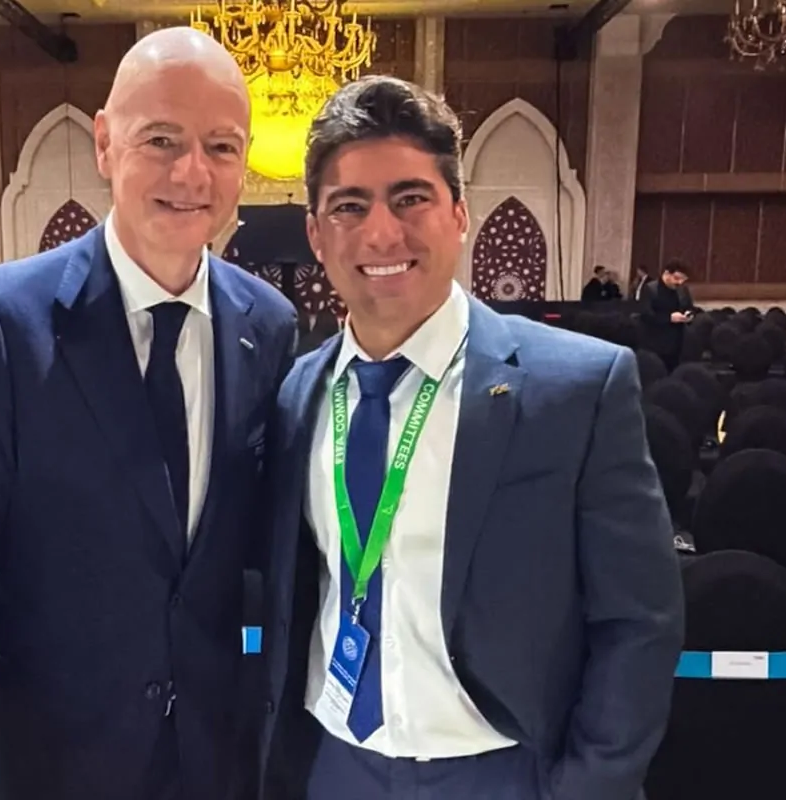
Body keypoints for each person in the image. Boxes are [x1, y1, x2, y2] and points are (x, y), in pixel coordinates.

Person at [0, 27, 296, 800]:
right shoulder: (1, 321)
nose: (192, 172)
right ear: (105, 144)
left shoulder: (267, 325)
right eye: (162, 139)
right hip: (51, 765)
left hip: (213, 761)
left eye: (221, 146)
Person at [260, 76, 683, 800]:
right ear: (316, 235)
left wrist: (588, 786)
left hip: (501, 771)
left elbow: (639, 622)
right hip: (334, 765)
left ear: (459, 214)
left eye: (410, 198)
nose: (382, 233)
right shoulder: (296, 394)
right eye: (349, 206)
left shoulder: (575, 390)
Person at [640, 259, 693, 372]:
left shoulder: (682, 289)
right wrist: (669, 318)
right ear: (667, 273)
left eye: (683, 279)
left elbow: (689, 307)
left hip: (678, 342)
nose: (680, 282)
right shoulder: (650, 289)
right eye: (677, 278)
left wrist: (689, 314)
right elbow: (645, 315)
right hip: (656, 342)